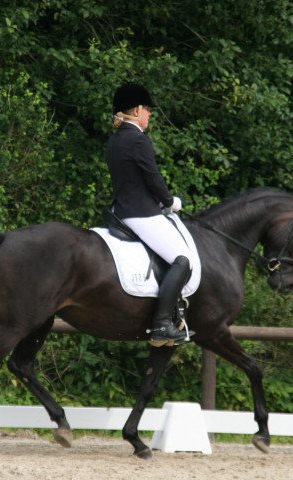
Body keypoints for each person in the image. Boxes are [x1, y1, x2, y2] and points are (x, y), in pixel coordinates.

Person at [106, 82, 194, 345]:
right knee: (182, 260)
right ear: (136, 110)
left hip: (121, 211)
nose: (150, 114)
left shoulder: (115, 139)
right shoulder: (138, 140)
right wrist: (170, 201)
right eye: (147, 109)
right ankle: (162, 325)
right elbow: (153, 179)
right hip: (141, 214)